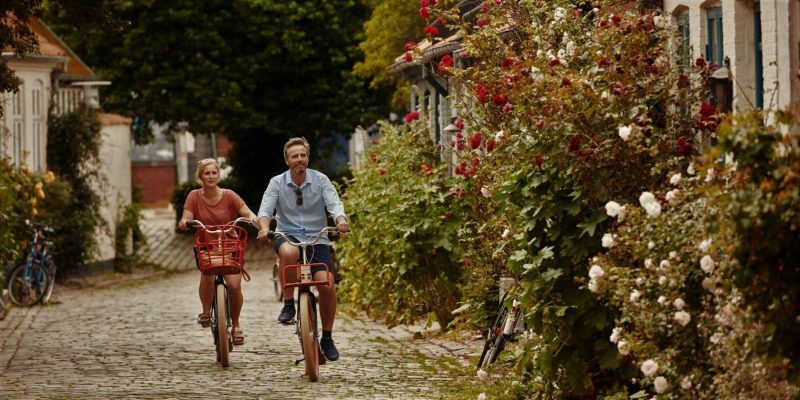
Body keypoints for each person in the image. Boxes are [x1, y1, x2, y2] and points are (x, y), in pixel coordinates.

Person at [256, 137, 350, 362]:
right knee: (289, 253)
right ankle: (289, 303)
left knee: (327, 283)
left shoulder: (321, 180)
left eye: (303, 155)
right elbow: (265, 210)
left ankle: (327, 337)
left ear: (307, 158)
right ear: (287, 160)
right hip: (288, 234)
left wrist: (341, 220)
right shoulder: (276, 183)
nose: (299, 159)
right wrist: (264, 228)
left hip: (317, 238)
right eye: (294, 156)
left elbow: (335, 204)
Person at [178, 158, 257, 346]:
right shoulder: (194, 197)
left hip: (230, 246)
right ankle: (206, 311)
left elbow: (246, 212)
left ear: (219, 175)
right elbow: (186, 217)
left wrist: (252, 218)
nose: (211, 176)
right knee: (207, 274)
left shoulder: (229, 195)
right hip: (207, 247)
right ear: (200, 177)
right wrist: (184, 222)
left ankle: (236, 325)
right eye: (207, 173)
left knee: (234, 284)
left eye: (214, 173)